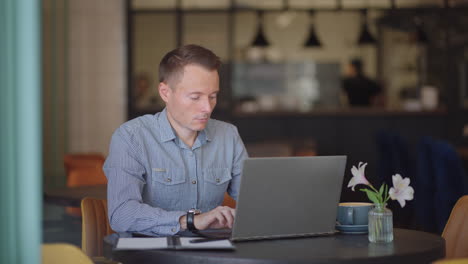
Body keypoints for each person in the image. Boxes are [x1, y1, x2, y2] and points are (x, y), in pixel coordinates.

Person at [104, 44, 248, 236]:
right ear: (165, 92)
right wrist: (191, 221)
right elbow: (122, 214)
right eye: (195, 97)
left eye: (213, 96)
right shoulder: (131, 137)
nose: (207, 107)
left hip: (211, 252)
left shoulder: (228, 135)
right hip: (151, 255)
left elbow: (254, 204)